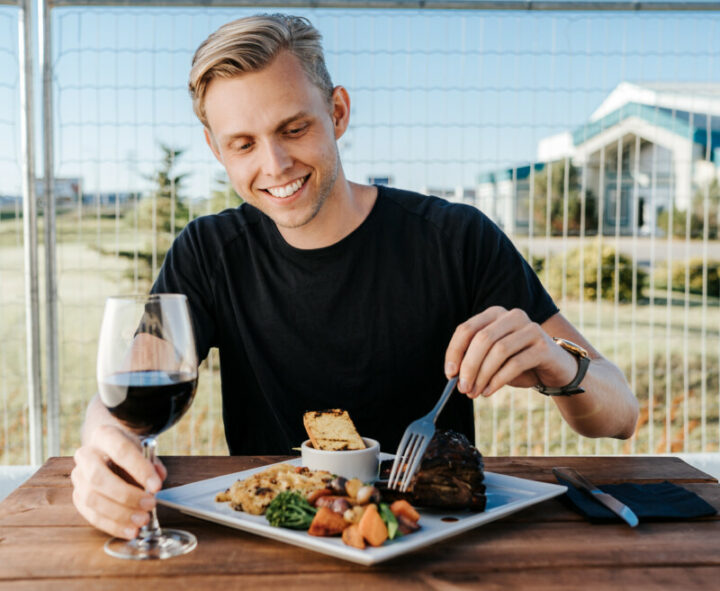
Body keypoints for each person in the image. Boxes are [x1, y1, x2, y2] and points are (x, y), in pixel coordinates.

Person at [71, 14, 639, 540]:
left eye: (293, 128)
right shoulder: (210, 250)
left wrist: (556, 362)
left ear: (338, 112)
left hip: (429, 533)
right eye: (243, 144)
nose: (274, 165)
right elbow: (133, 382)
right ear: (215, 148)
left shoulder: (455, 237)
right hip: (276, 536)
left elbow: (620, 415)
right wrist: (102, 444)